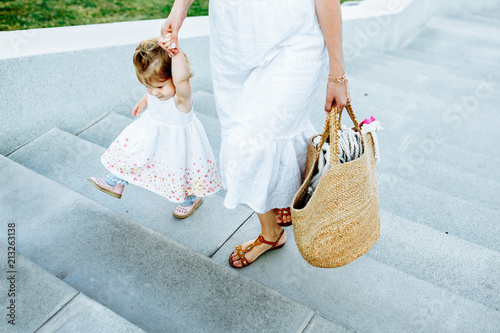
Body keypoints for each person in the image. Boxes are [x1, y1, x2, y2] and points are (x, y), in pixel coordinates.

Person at [152, 0, 350, 267]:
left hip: (293, 40)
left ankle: (276, 222)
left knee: (252, 141)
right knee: (255, 134)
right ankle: (276, 215)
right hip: (231, 42)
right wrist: (180, 9)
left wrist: (337, 75)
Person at [88, 37, 221, 219]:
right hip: (151, 134)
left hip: (177, 144)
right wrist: (143, 101)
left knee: (181, 171)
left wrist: (176, 52)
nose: (154, 92)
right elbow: (150, 93)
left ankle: (190, 199)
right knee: (132, 153)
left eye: (159, 86)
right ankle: (115, 182)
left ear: (174, 78)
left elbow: (182, 79)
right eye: (148, 86)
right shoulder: (155, 91)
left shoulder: (181, 98)